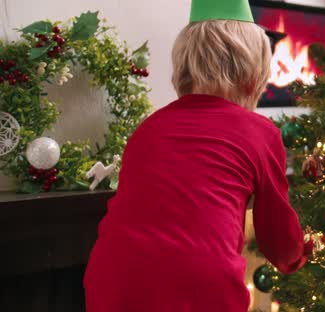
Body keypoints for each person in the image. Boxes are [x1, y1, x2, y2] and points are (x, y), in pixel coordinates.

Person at [84, 1, 312, 311]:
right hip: (202, 287)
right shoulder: (260, 132)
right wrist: (300, 253)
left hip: (113, 280)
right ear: (254, 70)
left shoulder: (148, 128)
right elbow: (278, 240)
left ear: (184, 65)